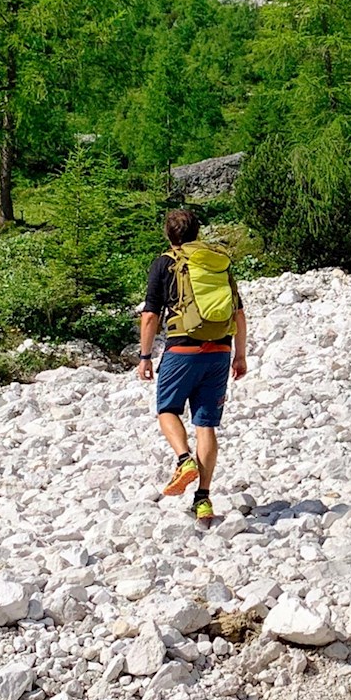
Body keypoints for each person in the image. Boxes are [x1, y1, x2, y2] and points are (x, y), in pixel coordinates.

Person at [137, 210, 247, 523]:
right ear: (197, 232)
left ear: (168, 234)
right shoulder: (216, 262)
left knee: (167, 410)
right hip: (220, 350)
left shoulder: (164, 263)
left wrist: (145, 357)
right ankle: (203, 500)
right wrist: (240, 356)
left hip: (182, 349)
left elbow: (150, 315)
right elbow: (238, 313)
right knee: (205, 424)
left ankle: (184, 460)